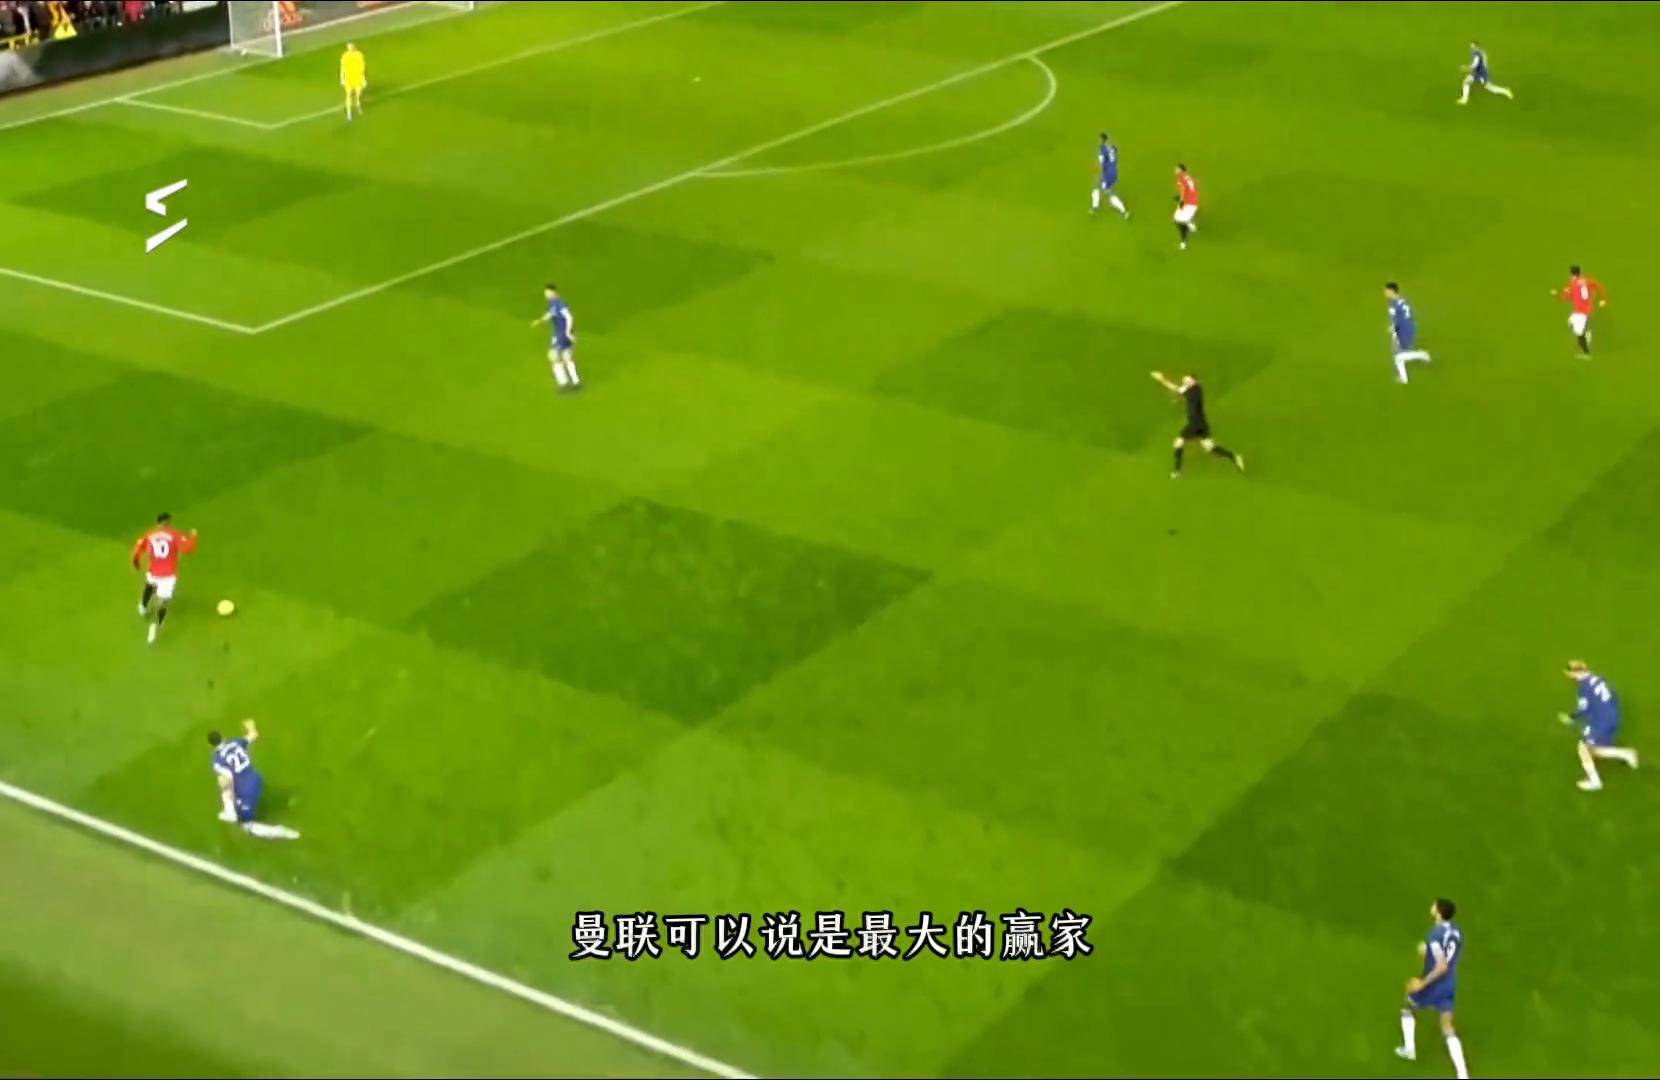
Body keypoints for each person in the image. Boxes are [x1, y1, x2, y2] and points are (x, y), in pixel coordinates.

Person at [1395, 898, 1469, 1079]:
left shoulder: (1434, 934)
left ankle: (1409, 1049)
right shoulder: (1457, 931)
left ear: (1438, 912)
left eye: (1434, 905)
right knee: (1447, 1027)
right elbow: (1448, 957)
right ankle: (1462, 1074)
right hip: (1449, 983)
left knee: (1408, 1004)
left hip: (1434, 982)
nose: (1432, 907)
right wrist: (1426, 953)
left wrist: (1423, 983)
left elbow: (1441, 965)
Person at [209, 719, 300, 840]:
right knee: (228, 793)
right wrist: (251, 726)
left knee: (246, 827)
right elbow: (254, 736)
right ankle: (231, 811)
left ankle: (282, 832)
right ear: (222, 737)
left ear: (211, 745)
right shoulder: (235, 741)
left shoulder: (217, 760)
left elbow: (226, 781)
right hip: (256, 778)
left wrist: (230, 799)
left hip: (245, 790)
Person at [1557, 660, 1639, 791]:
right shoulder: (1599, 679)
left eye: (1569, 675)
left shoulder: (1583, 687)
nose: (1569, 678)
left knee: (1584, 749)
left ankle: (1595, 781)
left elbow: (1584, 709)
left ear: (1575, 673)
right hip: (1613, 716)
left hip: (1602, 721)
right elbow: (1614, 695)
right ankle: (1627, 754)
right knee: (1593, 749)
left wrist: (1571, 717)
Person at [1150, 371, 1244, 477]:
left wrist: (1161, 379)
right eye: (1184, 382)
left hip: (1195, 424)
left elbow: (1176, 389)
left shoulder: (1195, 388)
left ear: (1194, 381)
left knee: (1178, 443)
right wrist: (1178, 398)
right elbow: (1180, 392)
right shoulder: (1194, 390)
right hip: (1201, 424)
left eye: (1187, 381)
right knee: (1210, 448)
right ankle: (1234, 457)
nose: (1185, 383)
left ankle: (1177, 472)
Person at [132, 512, 196, 645]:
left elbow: (137, 550)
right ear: (167, 522)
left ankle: (143, 607)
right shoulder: (173, 535)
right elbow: (188, 549)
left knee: (149, 585)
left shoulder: (149, 534)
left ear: (158, 522)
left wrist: (136, 563)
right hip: (168, 576)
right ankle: (155, 626)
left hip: (154, 572)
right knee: (162, 604)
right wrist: (193, 536)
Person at [531, 283, 580, 390]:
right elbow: (550, 313)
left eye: (547, 292)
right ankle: (575, 381)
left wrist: (568, 332)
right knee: (567, 356)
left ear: (553, 292)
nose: (546, 295)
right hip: (560, 333)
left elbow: (569, 317)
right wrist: (539, 321)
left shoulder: (560, 303)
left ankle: (563, 382)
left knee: (552, 355)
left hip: (562, 334)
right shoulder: (552, 303)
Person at [1553, 265, 1606, 358]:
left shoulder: (1572, 284)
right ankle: (1585, 332)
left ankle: (1586, 353)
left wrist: (1558, 295)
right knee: (1570, 321)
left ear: (1571, 274)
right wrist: (1602, 299)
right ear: (1579, 272)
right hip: (1587, 309)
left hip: (1581, 311)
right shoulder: (1587, 280)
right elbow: (1598, 286)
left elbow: (1566, 297)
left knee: (1578, 333)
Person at [1384, 282, 1432, 384]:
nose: (1385, 293)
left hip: (1402, 331)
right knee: (1397, 355)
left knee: (1398, 356)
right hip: (1410, 327)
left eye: (1387, 291)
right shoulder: (1403, 300)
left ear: (1392, 292)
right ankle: (1403, 378)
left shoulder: (1393, 305)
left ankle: (1422, 355)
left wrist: (1392, 329)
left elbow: (1396, 321)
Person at [1456, 40, 1513, 105]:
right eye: (1471, 47)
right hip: (1476, 73)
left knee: (1491, 88)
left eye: (1473, 47)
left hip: (1481, 74)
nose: (1471, 48)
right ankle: (1464, 99)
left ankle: (1506, 91)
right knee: (1466, 82)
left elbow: (1474, 65)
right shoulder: (1480, 53)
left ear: (1477, 47)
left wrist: (1465, 67)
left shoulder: (1477, 55)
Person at [1091, 133, 1129, 218]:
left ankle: (1124, 211)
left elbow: (1102, 163)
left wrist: (1103, 173)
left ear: (1101, 140)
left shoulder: (1103, 150)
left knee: (1109, 194)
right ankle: (1095, 206)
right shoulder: (1109, 148)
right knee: (1096, 187)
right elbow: (1112, 152)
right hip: (1113, 173)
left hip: (1107, 176)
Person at [1172, 163, 1199, 249]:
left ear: (1181, 170)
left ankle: (1183, 241)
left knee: (1178, 221)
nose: (1175, 170)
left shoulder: (1180, 178)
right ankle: (1189, 224)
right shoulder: (1188, 176)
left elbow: (1183, 189)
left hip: (1188, 203)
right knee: (1178, 219)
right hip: (1194, 201)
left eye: (1176, 169)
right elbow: (1193, 188)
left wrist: (1181, 200)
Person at [340, 42, 366, 121]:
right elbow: (342, 68)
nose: (350, 49)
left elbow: (362, 68)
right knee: (348, 95)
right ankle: (349, 114)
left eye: (352, 48)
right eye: (349, 48)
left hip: (358, 78)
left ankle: (358, 105)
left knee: (358, 94)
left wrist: (363, 79)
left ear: (354, 47)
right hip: (349, 78)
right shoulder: (345, 56)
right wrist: (342, 79)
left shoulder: (359, 55)